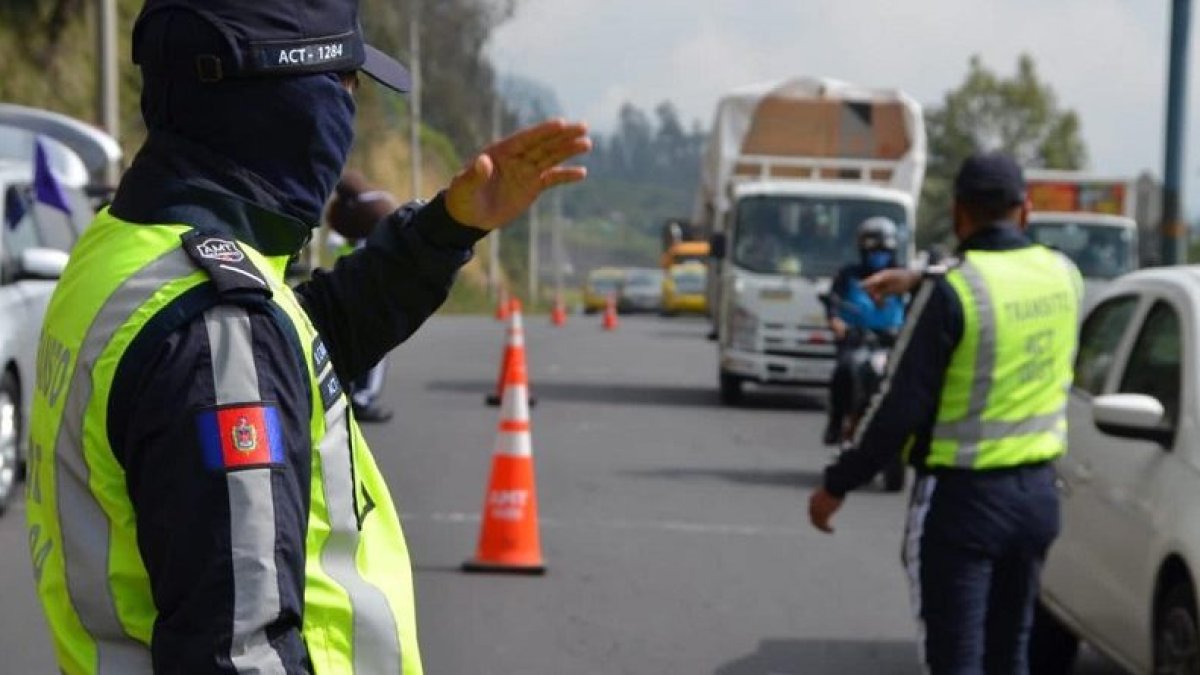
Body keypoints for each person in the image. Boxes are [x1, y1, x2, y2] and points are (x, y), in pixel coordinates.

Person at [24, 1, 590, 673]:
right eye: (345, 87)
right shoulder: (217, 328)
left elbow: (298, 350)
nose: (348, 120)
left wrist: (445, 230)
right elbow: (242, 652)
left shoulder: (130, 247)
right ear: (287, 100)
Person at [807, 153, 1082, 673]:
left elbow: (897, 407)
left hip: (964, 503)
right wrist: (918, 277)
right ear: (1024, 211)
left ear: (958, 213)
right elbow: (1003, 276)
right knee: (1010, 652)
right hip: (1038, 501)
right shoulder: (1064, 276)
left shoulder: (952, 290)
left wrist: (837, 484)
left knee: (954, 660)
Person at [822, 216, 906, 445]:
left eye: (883, 250)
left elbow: (917, 306)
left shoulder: (902, 277)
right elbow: (833, 303)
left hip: (893, 344)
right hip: (857, 341)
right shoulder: (848, 275)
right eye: (873, 250)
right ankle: (836, 422)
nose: (878, 255)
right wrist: (837, 323)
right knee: (843, 371)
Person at [326, 171, 400, 423]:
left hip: (348, 294)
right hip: (370, 298)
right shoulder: (374, 232)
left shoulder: (355, 232)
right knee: (376, 350)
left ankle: (348, 394)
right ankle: (362, 398)